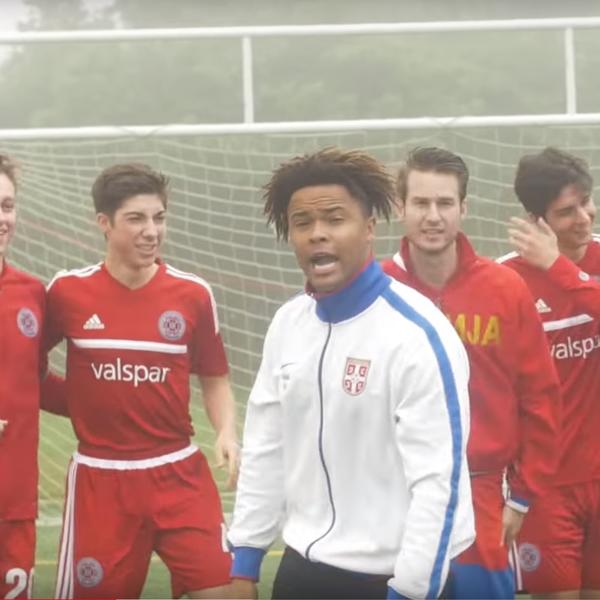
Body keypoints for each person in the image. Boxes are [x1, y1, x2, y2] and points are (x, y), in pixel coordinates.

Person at [227, 147, 475, 600]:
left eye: (335, 219)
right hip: (301, 572)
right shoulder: (288, 324)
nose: (318, 233)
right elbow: (266, 447)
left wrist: (409, 590)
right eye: (302, 222)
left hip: (391, 581)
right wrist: (244, 560)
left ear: (369, 228)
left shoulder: (418, 335)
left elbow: (440, 483)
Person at [44, 163, 239, 599]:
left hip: (179, 473)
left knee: (230, 590)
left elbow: (214, 376)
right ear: (104, 223)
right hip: (100, 480)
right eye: (136, 219)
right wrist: (80, 402)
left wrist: (226, 431)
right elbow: (25, 366)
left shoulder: (193, 294)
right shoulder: (67, 291)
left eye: (159, 217)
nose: (152, 231)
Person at [381, 146, 561, 599]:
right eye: (421, 203)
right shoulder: (377, 291)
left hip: (482, 499)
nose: (433, 216)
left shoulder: (505, 288)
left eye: (445, 203)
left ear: (464, 208)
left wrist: (521, 497)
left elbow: (540, 397)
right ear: (400, 208)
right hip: (394, 500)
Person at [499, 147, 600, 598]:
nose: (584, 217)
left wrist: (559, 269)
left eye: (586, 202)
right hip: (544, 486)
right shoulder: (505, 280)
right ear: (536, 219)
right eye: (566, 211)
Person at [0, 154, 45, 599]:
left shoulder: (32, 293)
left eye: (7, 205)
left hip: (13, 503)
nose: (2, 218)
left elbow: (38, 379)